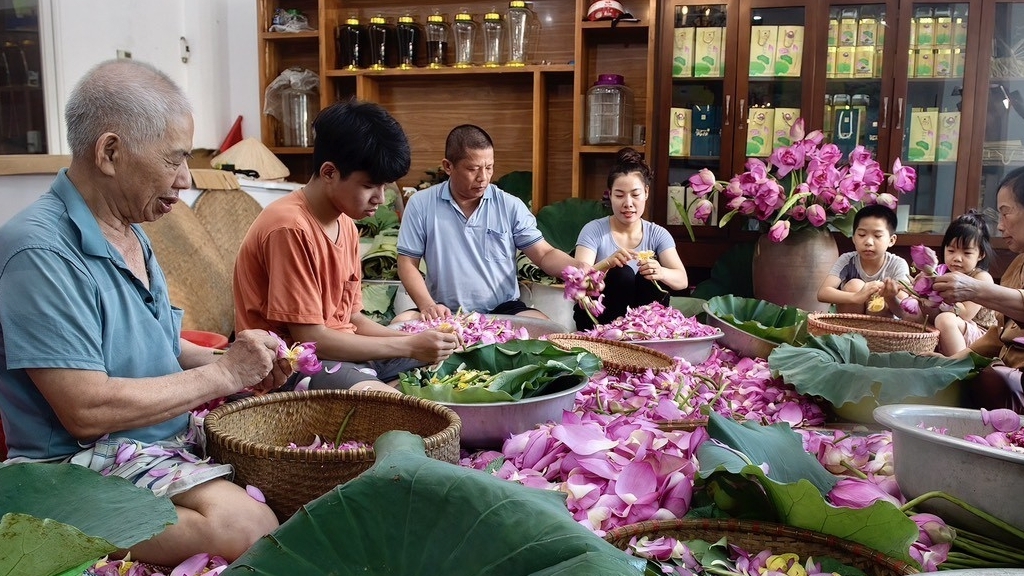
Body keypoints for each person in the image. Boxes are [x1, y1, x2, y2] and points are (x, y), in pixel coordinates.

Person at [0, 59, 290, 566]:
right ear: (110, 152)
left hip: (152, 443)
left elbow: (161, 342)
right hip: (72, 463)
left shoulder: (129, 232)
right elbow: (86, 411)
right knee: (249, 526)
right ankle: (44, 526)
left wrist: (241, 366)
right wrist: (223, 374)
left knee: (286, 479)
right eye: (173, 160)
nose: (184, 179)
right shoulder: (39, 252)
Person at [233, 98, 458, 392]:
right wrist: (409, 346)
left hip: (338, 354)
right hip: (290, 368)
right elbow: (310, 340)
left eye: (384, 186)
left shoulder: (346, 226)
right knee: (405, 405)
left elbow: (352, 320)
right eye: (369, 186)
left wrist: (418, 341)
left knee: (450, 367)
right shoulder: (289, 227)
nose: (380, 197)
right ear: (329, 173)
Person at [395, 124, 585, 322]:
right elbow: (407, 263)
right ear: (448, 166)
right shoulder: (421, 204)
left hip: (503, 310)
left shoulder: (510, 205)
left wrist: (577, 268)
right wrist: (428, 305)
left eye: (489, 167)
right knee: (399, 325)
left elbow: (544, 254)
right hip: (442, 310)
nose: (483, 178)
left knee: (544, 329)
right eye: (473, 169)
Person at [934, 166, 1024, 413]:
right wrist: (953, 361)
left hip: (1012, 382)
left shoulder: (980, 278)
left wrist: (975, 289)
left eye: (1006, 214)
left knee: (997, 382)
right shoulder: (1017, 265)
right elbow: (999, 333)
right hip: (1005, 374)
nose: (1001, 227)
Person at [571, 147, 688, 330]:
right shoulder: (593, 230)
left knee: (647, 277)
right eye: (619, 195)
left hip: (644, 327)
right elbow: (578, 282)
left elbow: (682, 280)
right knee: (621, 274)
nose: (628, 203)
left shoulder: (658, 234)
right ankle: (613, 336)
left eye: (635, 194)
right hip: (600, 322)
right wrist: (606, 264)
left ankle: (644, 333)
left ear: (646, 192)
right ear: (609, 194)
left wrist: (660, 271)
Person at [900, 212, 996, 354]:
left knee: (945, 319)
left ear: (981, 255)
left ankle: (959, 367)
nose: (957, 258)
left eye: (967, 253)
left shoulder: (981, 278)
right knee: (915, 313)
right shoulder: (941, 272)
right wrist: (922, 297)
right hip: (950, 330)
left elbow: (965, 314)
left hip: (981, 338)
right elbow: (933, 313)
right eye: (951, 250)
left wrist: (936, 291)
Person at [817, 204, 911, 315]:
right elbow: (823, 293)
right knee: (854, 285)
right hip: (850, 323)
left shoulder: (898, 264)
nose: (868, 242)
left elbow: (904, 311)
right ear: (853, 238)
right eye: (862, 235)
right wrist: (856, 297)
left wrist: (889, 297)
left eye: (877, 236)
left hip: (883, 326)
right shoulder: (847, 260)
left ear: (891, 240)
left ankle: (872, 332)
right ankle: (849, 332)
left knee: (881, 298)